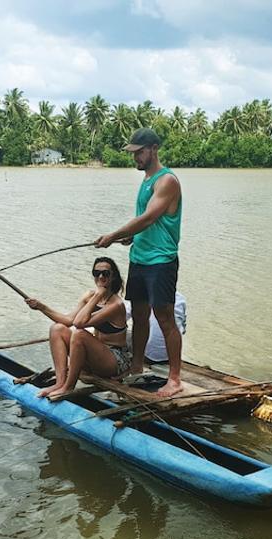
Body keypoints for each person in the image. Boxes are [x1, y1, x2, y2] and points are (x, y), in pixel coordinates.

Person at [94, 127, 183, 397]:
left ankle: (175, 379)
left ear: (153, 149)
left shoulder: (166, 180)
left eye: (139, 152)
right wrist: (131, 237)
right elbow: (146, 222)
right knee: (140, 316)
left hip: (160, 260)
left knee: (165, 318)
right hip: (140, 258)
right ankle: (136, 368)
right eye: (133, 153)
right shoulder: (146, 180)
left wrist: (115, 234)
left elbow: (148, 218)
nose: (135, 158)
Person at [25, 257, 131, 398]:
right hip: (95, 358)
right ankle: (60, 382)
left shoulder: (115, 305)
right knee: (57, 329)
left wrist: (98, 295)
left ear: (113, 276)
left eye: (105, 273)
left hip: (114, 362)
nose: (100, 276)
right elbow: (69, 320)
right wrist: (41, 307)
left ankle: (69, 387)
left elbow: (79, 323)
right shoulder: (89, 295)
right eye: (96, 273)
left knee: (79, 334)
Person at [125, 292, 187, 364]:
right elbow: (182, 327)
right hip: (170, 357)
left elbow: (123, 316)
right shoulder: (181, 299)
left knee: (124, 333)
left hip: (147, 355)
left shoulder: (144, 293)